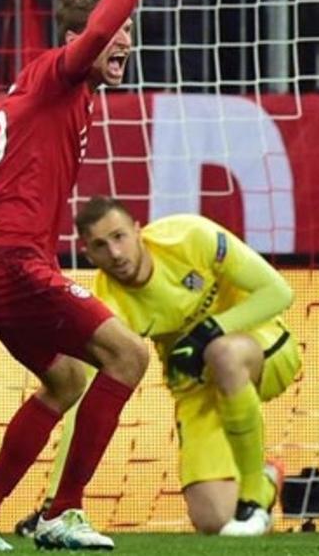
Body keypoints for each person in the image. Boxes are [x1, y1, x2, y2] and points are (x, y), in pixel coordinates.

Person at [0, 0, 188, 552]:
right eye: (118, 33)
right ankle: (63, 510)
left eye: (130, 32)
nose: (127, 43)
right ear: (87, 37)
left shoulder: (52, 89)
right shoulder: (59, 71)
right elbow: (101, 22)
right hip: (7, 259)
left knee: (66, 380)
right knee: (129, 355)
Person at [17, 197, 301, 537]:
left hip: (261, 346)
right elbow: (85, 399)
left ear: (139, 231)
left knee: (221, 352)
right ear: (89, 256)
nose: (116, 254)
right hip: (195, 386)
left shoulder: (191, 236)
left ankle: (253, 496)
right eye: (101, 246)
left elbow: (277, 292)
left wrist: (208, 332)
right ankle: (266, 478)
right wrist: (53, 503)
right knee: (214, 520)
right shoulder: (108, 310)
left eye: (119, 237)